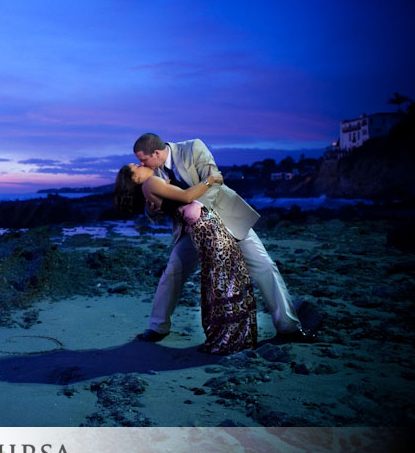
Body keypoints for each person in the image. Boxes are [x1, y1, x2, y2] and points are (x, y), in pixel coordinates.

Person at [131, 133, 315, 343]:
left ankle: (288, 327)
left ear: (156, 152)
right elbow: (159, 205)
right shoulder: (153, 172)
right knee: (172, 273)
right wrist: (153, 211)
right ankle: (158, 327)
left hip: (225, 217)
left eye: (143, 159)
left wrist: (197, 205)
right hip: (190, 231)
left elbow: (214, 178)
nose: (141, 164)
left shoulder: (193, 147)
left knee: (264, 265)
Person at [115, 163, 257, 354]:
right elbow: (187, 196)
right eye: (136, 165)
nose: (141, 164)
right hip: (204, 227)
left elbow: (174, 199)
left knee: (223, 277)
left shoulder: (158, 179)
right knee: (224, 277)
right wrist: (211, 179)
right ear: (134, 178)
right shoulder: (150, 182)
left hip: (205, 225)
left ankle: (231, 337)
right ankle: (230, 338)